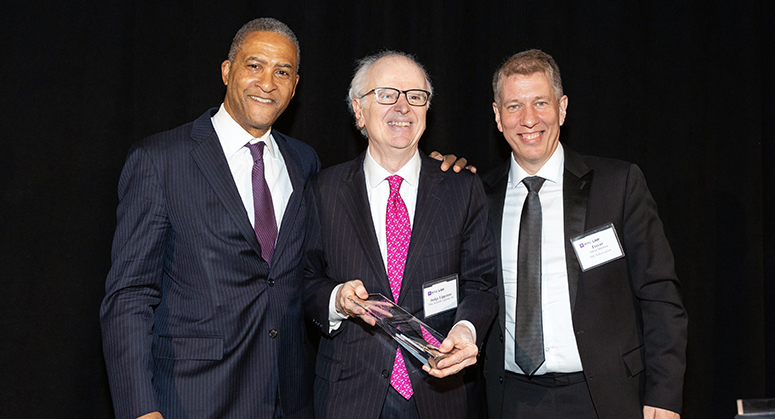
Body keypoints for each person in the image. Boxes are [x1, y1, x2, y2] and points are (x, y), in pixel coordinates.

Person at [481, 49, 687, 419]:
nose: (528, 119)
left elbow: (660, 295)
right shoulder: (479, 197)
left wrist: (665, 393)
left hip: (604, 399)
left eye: (540, 102)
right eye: (514, 106)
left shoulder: (618, 185)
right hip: (509, 399)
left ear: (561, 108)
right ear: (498, 116)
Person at [302, 51, 498, 419]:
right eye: (387, 94)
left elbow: (483, 283)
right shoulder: (322, 190)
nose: (403, 107)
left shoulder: (462, 188)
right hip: (350, 397)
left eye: (415, 96)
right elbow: (305, 280)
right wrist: (336, 299)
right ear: (359, 111)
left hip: (442, 394)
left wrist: (466, 330)